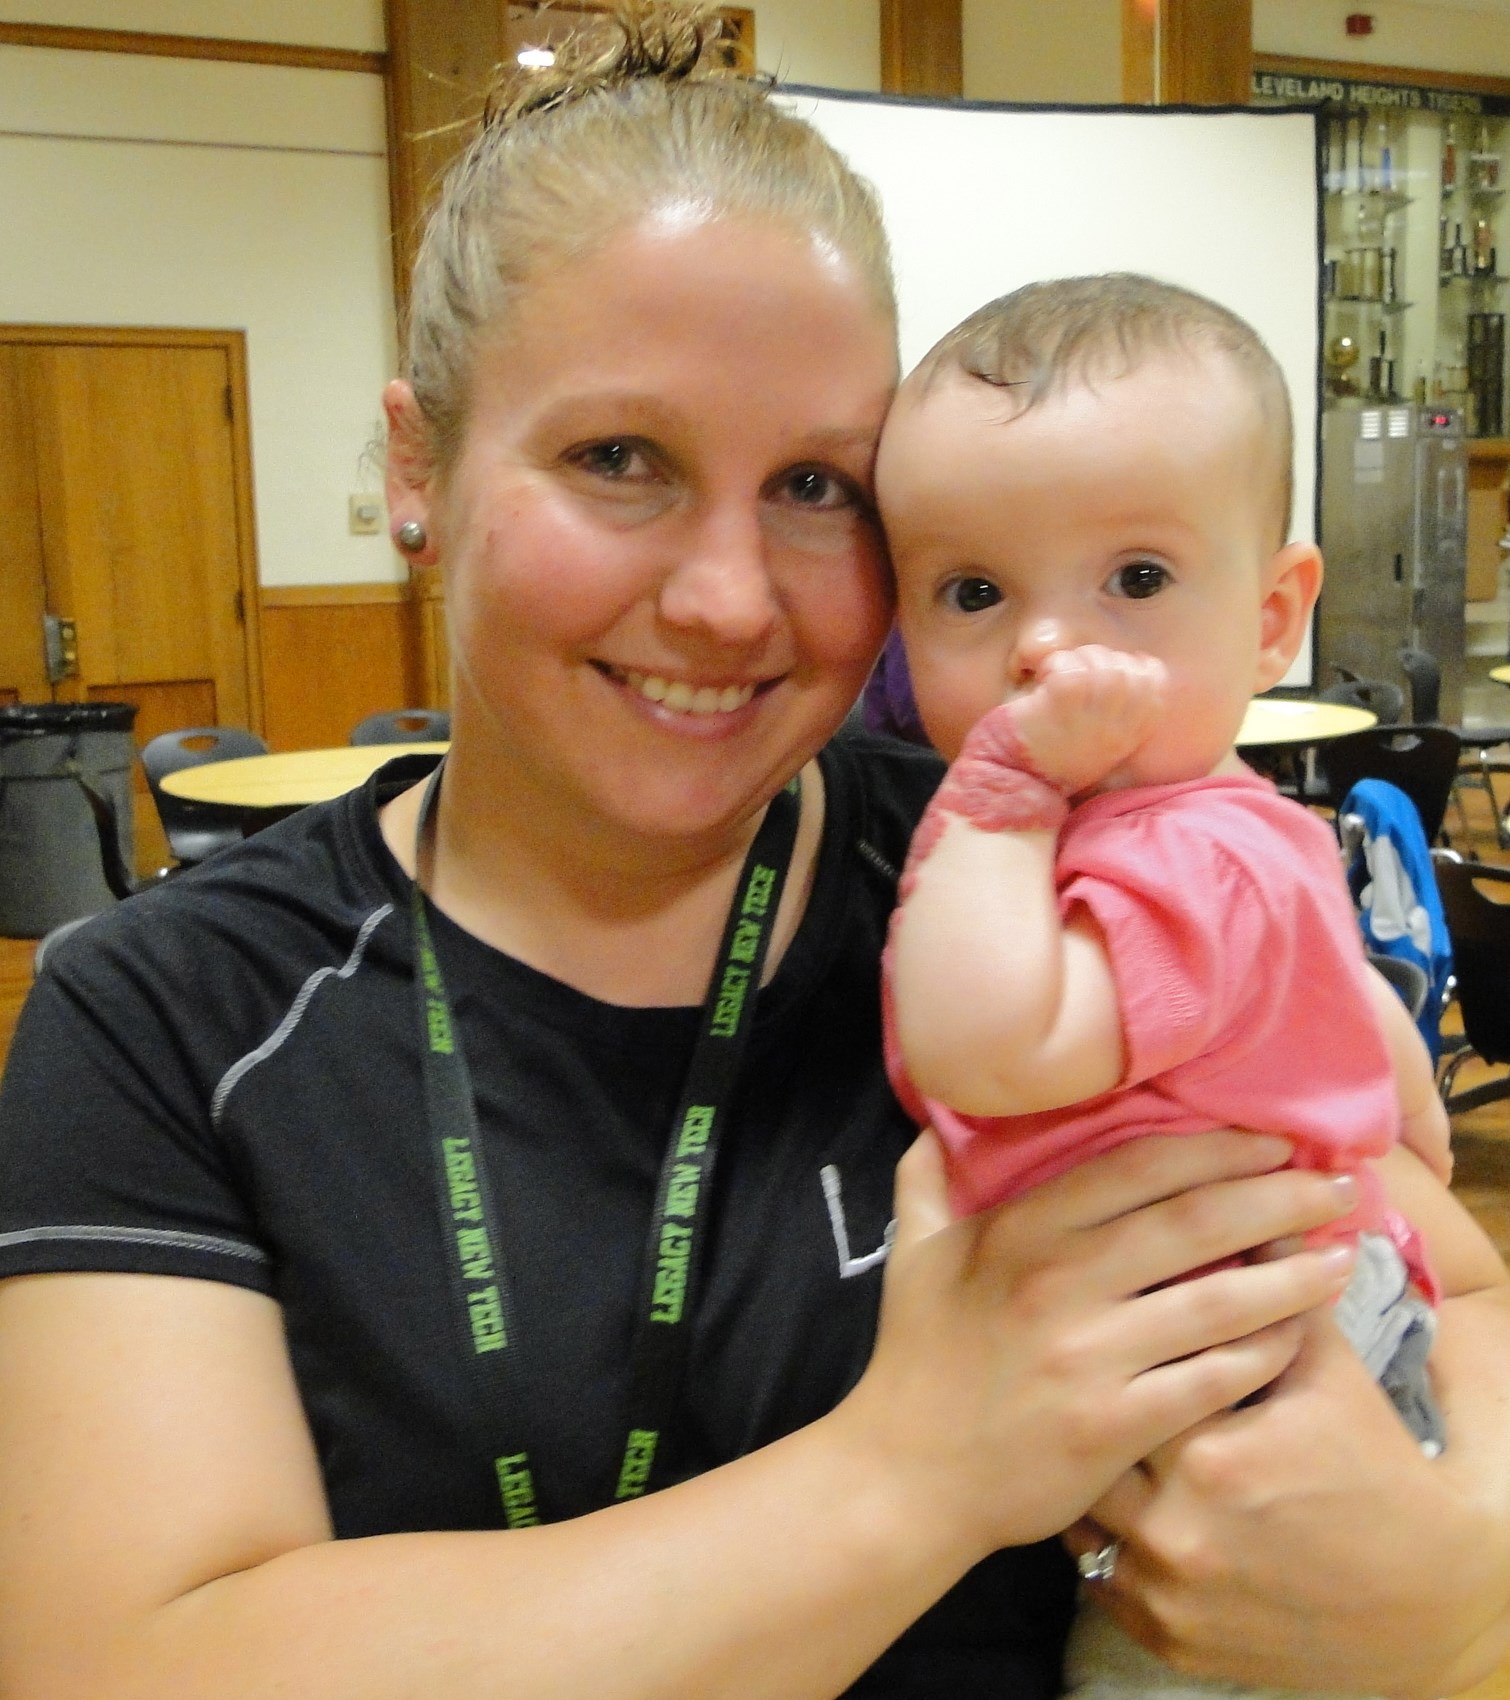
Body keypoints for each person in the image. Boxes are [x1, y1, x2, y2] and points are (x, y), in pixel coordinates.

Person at [0, 11, 1506, 1698]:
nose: (728, 597)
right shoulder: (171, 1014)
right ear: (418, 466)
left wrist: (1462, 1574)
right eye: (618, 459)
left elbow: (1424, 1257)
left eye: (811, 484)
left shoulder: (1023, 888)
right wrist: (913, 1471)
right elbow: (114, 1658)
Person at [877, 273, 1510, 1696]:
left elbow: (992, 1047)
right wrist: (1385, 1126)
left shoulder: (1175, 849)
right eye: (973, 593)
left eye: (1137, 579)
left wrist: (990, 803)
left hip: (1244, 1357)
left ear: (1275, 613)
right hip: (1240, 1291)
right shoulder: (1228, 820)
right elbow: (1367, 1028)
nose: (1047, 646)